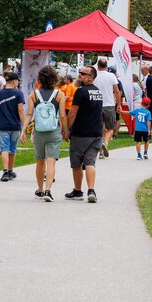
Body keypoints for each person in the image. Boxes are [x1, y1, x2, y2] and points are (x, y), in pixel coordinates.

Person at [27, 65, 67, 200]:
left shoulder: (33, 94)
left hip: (39, 131)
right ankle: (48, 190)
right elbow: (62, 116)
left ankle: (40, 189)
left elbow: (29, 114)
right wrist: (65, 131)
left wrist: (23, 131)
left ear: (40, 79)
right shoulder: (59, 94)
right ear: (54, 79)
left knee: (40, 161)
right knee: (51, 161)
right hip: (53, 131)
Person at [65, 65, 103, 202]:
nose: (79, 75)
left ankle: (77, 190)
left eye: (83, 73)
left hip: (81, 133)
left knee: (76, 163)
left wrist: (67, 130)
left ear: (91, 77)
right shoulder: (98, 92)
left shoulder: (81, 92)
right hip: (97, 133)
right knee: (90, 162)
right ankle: (91, 190)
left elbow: (72, 113)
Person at [0, 71, 26, 182]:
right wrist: (24, 126)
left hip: (3, 125)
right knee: (12, 149)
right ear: (14, 81)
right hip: (15, 126)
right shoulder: (19, 93)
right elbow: (20, 110)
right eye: (17, 81)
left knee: (4, 148)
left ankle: (5, 172)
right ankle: (10, 170)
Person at [92, 58, 121, 159]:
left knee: (100, 129)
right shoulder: (111, 76)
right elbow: (116, 91)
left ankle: (100, 152)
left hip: (96, 104)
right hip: (109, 104)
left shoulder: (94, 76)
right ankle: (106, 142)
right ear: (106, 66)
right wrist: (119, 104)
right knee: (111, 128)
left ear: (98, 66)